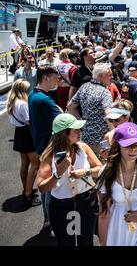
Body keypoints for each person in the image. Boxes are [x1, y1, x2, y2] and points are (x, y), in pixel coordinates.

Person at [37, 114, 102, 246]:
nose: (80, 132)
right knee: (67, 243)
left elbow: (100, 169)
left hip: (86, 202)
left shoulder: (83, 147)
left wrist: (85, 172)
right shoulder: (49, 156)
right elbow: (42, 187)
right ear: (63, 134)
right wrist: (57, 174)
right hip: (63, 206)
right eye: (75, 130)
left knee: (86, 242)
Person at [29, 66, 62, 230]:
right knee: (50, 188)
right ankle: (51, 221)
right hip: (50, 147)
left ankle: (48, 219)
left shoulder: (33, 95)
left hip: (41, 145)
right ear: (46, 77)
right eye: (56, 77)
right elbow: (63, 120)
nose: (58, 80)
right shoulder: (45, 100)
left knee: (46, 186)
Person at [7, 79, 41, 206]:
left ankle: (26, 188)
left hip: (19, 133)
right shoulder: (22, 103)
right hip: (27, 133)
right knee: (35, 163)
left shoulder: (12, 102)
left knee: (25, 163)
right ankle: (28, 193)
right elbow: (29, 120)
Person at [66, 63, 114, 154]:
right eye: (109, 75)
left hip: (86, 137)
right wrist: (114, 133)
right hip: (102, 140)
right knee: (107, 164)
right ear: (100, 76)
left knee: (90, 164)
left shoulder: (84, 87)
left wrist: (82, 124)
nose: (112, 77)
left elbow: (70, 107)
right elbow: (109, 115)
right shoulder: (104, 92)